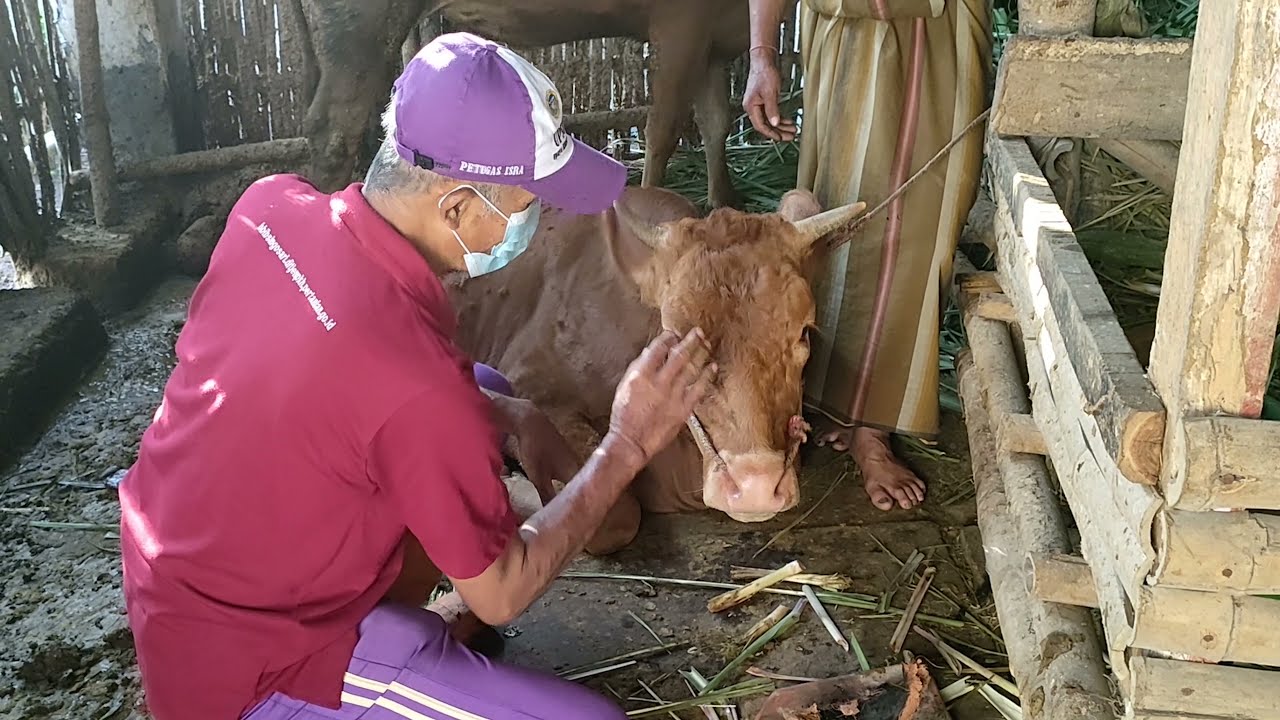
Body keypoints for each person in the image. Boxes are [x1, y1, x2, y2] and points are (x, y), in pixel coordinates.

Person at [118, 32, 717, 720]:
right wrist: (627, 444)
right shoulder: (415, 388)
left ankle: (407, 631)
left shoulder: (271, 206)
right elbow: (503, 590)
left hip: (177, 571)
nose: (534, 225)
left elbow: (344, 369)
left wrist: (515, 415)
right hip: (251, 669)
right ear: (458, 208)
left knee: (484, 383)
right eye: (527, 208)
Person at [742, 0, 992, 511]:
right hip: (840, 44)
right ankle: (840, 400)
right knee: (834, 216)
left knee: (916, 226)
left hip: (931, 41)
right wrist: (761, 56)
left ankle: (872, 427)